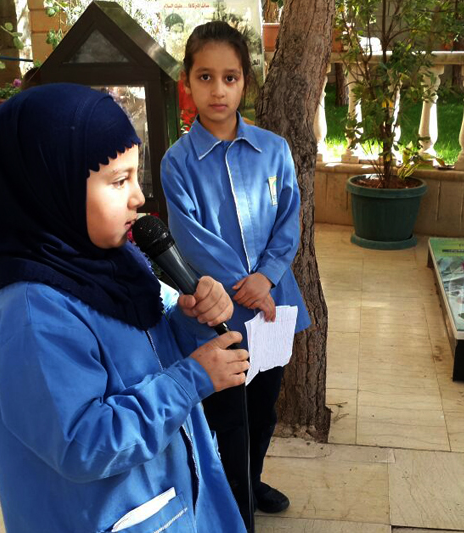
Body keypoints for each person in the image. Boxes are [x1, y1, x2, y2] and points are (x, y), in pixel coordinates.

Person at [0, 83, 248, 533]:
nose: (138, 197)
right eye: (119, 181)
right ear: (52, 187)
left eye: (136, 175)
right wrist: (190, 381)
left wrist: (192, 318)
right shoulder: (31, 316)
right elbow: (83, 442)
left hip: (173, 498)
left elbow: (155, 344)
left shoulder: (117, 264)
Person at [159, 20, 310, 526]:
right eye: (205, 77)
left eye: (230, 77)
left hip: (272, 307)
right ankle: (230, 501)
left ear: (245, 81)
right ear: (187, 81)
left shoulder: (274, 150)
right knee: (226, 416)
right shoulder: (177, 162)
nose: (218, 90)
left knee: (264, 409)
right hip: (214, 314)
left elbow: (289, 220)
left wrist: (266, 277)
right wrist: (246, 285)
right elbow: (191, 237)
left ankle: (252, 478)